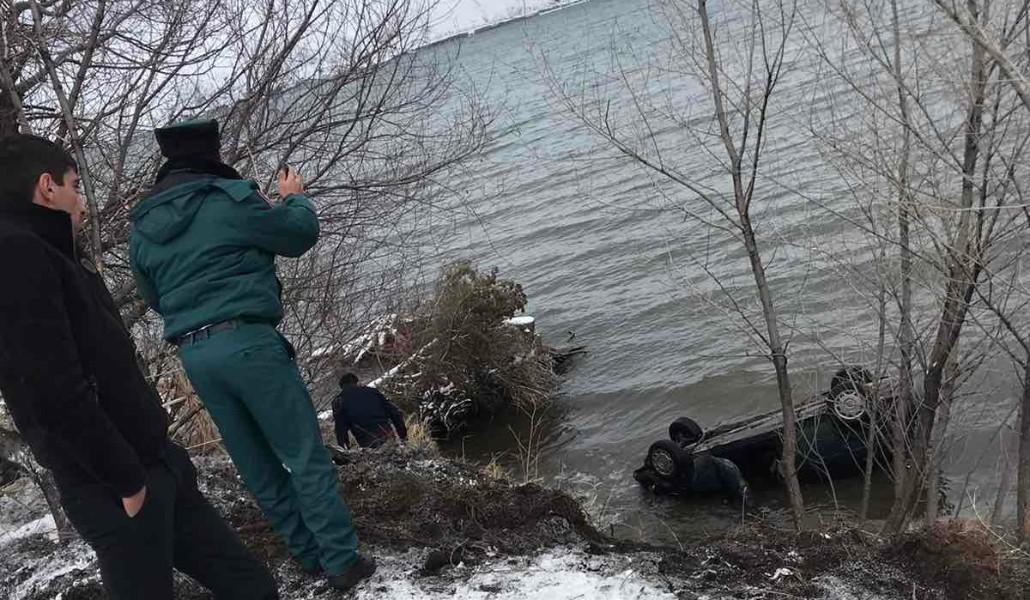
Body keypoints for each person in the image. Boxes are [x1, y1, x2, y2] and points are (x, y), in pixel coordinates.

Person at [0, 134, 278, 600]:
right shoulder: (16, 255)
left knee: (250, 585)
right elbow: (50, 391)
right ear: (47, 187)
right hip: (113, 485)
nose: (82, 202)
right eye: (75, 185)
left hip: (154, 462)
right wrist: (126, 479)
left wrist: (161, 454)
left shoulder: (55, 250)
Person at [128, 119, 375, 591]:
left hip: (195, 354)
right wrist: (294, 197)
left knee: (255, 464)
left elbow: (154, 297)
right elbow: (297, 235)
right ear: (212, 154)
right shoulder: (229, 199)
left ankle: (308, 555)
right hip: (247, 341)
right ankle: (341, 560)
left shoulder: (142, 226)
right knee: (302, 454)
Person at [332, 373, 408, 449]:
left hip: (366, 439)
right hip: (385, 432)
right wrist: (403, 435)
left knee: (376, 455)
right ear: (356, 382)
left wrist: (344, 447)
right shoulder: (372, 392)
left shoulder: (339, 400)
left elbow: (340, 428)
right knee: (393, 452)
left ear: (342, 386)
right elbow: (395, 413)